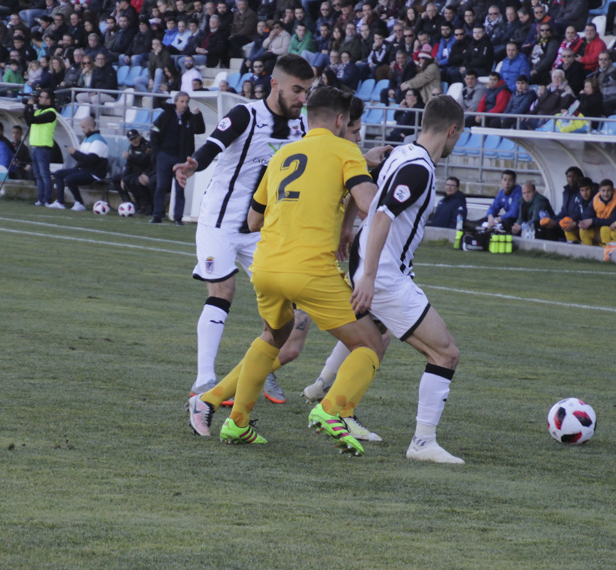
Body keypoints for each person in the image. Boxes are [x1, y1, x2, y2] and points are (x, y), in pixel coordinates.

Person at [188, 86, 383, 455]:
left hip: (265, 266)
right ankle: (332, 410)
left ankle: (237, 422)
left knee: (275, 335)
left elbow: (254, 218)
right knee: (370, 343)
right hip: (309, 269)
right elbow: (367, 203)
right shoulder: (346, 151)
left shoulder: (283, 153)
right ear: (342, 121)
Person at [174, 55, 315, 403]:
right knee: (222, 291)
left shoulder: (302, 128)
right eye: (297, 90)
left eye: (307, 92)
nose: (302, 98)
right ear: (275, 85)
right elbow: (213, 146)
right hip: (219, 222)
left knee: (290, 309)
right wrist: (194, 165)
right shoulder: (245, 114)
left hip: (263, 230)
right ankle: (204, 380)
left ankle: (261, 371)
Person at [335, 95, 467, 463]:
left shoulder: (402, 153)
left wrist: (347, 229)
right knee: (445, 353)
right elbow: (382, 218)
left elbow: (361, 187)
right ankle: (423, 442)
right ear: (452, 129)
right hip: (386, 275)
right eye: (459, 135)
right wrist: (370, 278)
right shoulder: (419, 168)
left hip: (376, 266)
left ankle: (325, 395)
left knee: (374, 337)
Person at [150, 91, 205, 225]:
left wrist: (198, 115)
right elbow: (154, 130)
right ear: (176, 102)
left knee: (180, 188)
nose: (185, 104)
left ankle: (178, 218)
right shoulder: (166, 115)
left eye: (187, 102)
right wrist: (157, 152)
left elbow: (200, 129)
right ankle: (157, 215)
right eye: (182, 101)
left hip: (181, 158)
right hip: (165, 156)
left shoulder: (190, 117)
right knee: (161, 186)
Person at [47, 116, 109, 211]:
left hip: (94, 173)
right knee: (59, 174)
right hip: (83, 169)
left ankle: (80, 203)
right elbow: (82, 159)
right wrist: (73, 153)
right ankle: (60, 202)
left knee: (69, 179)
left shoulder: (98, 140)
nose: (82, 130)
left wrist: (75, 153)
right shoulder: (86, 139)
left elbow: (91, 160)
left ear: (90, 126)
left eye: (83, 127)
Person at [23, 89, 59, 207]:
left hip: (43, 147)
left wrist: (29, 105)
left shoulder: (51, 113)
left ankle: (47, 199)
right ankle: (40, 199)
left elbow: (33, 120)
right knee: (38, 175)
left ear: (49, 100)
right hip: (35, 147)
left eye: (42, 97)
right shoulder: (39, 111)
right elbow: (29, 120)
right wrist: (27, 107)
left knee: (44, 175)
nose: (39, 99)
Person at [111, 128, 155, 215]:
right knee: (117, 178)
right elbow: (128, 165)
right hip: (134, 172)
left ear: (139, 136)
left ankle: (147, 205)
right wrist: (123, 177)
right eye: (131, 139)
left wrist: (130, 157)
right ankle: (128, 202)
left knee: (135, 181)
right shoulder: (131, 147)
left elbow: (144, 160)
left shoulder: (147, 146)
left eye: (135, 138)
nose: (134, 141)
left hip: (145, 172)